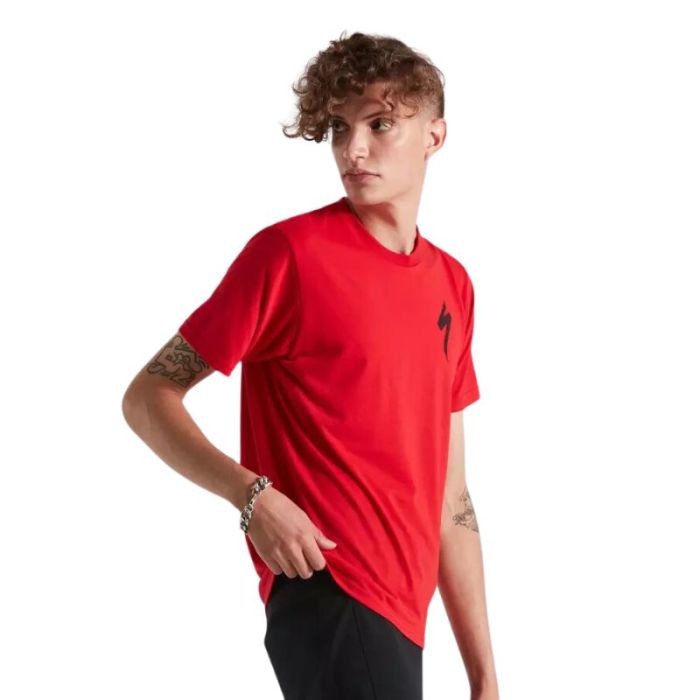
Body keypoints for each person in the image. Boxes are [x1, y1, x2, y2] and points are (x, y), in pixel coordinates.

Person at [122, 30, 499, 700]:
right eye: (338, 128)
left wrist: (484, 676)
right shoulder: (290, 256)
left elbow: (453, 499)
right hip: (329, 587)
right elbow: (148, 395)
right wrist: (252, 496)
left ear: (434, 136)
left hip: (403, 613)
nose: (353, 150)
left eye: (380, 124)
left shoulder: (453, 286)